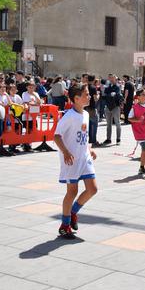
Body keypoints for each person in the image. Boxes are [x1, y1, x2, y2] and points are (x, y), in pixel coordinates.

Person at [54, 83, 98, 239]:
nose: (90, 96)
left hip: (84, 157)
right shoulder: (69, 116)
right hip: (71, 159)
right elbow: (57, 136)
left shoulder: (85, 114)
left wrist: (89, 148)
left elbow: (83, 136)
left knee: (93, 189)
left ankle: (73, 212)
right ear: (76, 98)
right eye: (86, 94)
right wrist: (65, 151)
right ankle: (64, 225)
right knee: (72, 191)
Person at [22, 80, 42, 151]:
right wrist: (34, 103)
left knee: (33, 130)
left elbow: (39, 102)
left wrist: (34, 95)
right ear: (27, 87)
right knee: (27, 130)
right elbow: (26, 102)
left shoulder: (36, 93)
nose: (31, 89)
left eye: (32, 87)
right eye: (29, 87)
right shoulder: (24, 93)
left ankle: (30, 144)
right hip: (26, 116)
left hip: (34, 116)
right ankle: (25, 144)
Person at [102, 75, 122, 145]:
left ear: (116, 79)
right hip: (108, 107)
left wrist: (112, 94)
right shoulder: (108, 87)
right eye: (110, 78)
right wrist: (109, 94)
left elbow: (117, 95)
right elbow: (104, 95)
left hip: (115, 107)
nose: (111, 80)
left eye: (113, 78)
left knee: (117, 123)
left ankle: (118, 139)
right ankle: (108, 139)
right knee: (108, 124)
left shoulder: (118, 87)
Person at [84, 75, 99, 147]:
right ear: (93, 80)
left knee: (88, 125)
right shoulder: (93, 88)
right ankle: (93, 141)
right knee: (94, 125)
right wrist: (98, 95)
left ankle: (89, 140)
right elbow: (95, 99)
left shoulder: (85, 86)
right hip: (92, 108)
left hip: (85, 108)